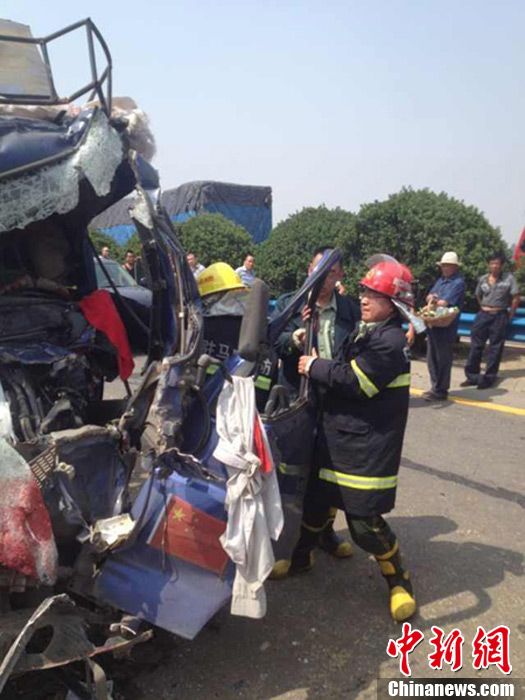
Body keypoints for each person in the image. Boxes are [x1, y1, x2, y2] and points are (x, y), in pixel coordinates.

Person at [272, 258, 417, 623]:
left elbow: (359, 381)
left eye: (375, 294)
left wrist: (315, 366)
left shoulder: (389, 340)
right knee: (318, 502)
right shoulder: (369, 329)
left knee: (364, 522)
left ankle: (399, 579)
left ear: (394, 303)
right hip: (339, 435)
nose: (364, 299)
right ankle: (302, 556)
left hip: (366, 446)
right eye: (365, 291)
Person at [271, 246, 360, 561]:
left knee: (329, 469)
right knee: (292, 469)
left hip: (335, 400)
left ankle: (323, 532)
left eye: (331, 271)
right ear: (309, 270)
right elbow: (273, 342)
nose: (323, 276)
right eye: (317, 269)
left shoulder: (351, 309)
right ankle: (286, 537)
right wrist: (295, 337)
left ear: (339, 276)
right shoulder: (289, 304)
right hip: (297, 400)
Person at [462, 254, 520, 389]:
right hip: (483, 315)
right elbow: (478, 295)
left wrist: (510, 315)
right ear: (488, 264)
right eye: (492, 263)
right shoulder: (483, 279)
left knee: (495, 348)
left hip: (499, 315)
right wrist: (483, 307)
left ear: (502, 265)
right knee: (476, 346)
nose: (494, 266)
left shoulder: (509, 279)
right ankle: (472, 376)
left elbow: (515, 297)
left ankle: (489, 378)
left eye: (497, 263)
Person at [422, 251, 465, 402]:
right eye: (443, 266)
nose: (444, 268)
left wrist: (434, 299)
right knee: (431, 357)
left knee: (443, 358)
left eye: (447, 266)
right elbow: (429, 296)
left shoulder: (458, 282)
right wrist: (432, 299)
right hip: (434, 323)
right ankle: (435, 387)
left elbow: (444, 302)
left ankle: (441, 390)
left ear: (454, 267)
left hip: (446, 326)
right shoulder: (441, 280)